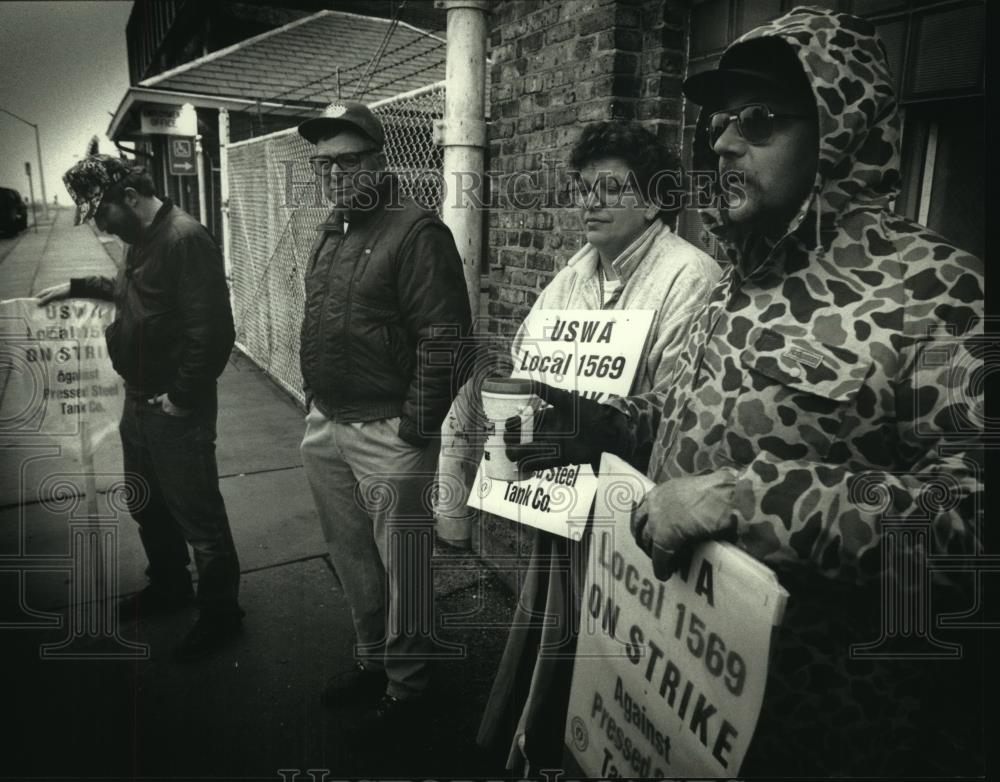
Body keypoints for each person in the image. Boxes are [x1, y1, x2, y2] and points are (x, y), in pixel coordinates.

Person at [507, 8, 984, 776]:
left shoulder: (933, 290)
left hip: (817, 724)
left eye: (760, 119)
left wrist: (746, 500)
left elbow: (969, 522)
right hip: (671, 687)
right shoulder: (735, 282)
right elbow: (683, 418)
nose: (724, 141)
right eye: (721, 122)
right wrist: (599, 426)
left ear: (841, 127)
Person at [466, 121, 721, 768]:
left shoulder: (689, 276)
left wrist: (592, 416)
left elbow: (677, 408)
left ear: (656, 200)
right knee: (550, 639)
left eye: (611, 188)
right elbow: (528, 352)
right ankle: (533, 744)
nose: (591, 202)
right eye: (584, 189)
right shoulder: (577, 270)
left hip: (625, 509)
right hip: (559, 499)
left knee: (610, 659)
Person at [296, 101, 472, 727]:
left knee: (406, 568)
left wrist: (413, 431)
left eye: (346, 161)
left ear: (378, 159)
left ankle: (409, 688)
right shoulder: (333, 230)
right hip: (329, 425)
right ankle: (373, 661)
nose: (334, 174)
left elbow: (447, 340)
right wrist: (315, 400)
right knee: (353, 558)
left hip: (387, 433)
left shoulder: (417, 231)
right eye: (323, 164)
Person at [37, 155, 243, 662]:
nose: (100, 224)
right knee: (147, 504)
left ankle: (221, 614)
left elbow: (212, 333)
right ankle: (170, 586)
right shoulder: (139, 242)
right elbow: (134, 298)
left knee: (199, 518)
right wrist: (77, 287)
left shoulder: (183, 239)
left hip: (174, 407)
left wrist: (181, 398)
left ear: (129, 197)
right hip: (138, 401)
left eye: (100, 212)